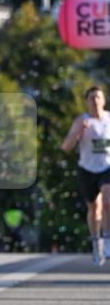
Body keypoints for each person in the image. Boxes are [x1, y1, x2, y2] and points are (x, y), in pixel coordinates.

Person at [61, 85, 110, 266]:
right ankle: (96, 243)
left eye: (98, 97)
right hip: (87, 169)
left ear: (104, 100)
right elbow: (66, 147)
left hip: (107, 167)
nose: (95, 101)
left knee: (107, 201)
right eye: (91, 98)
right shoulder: (81, 121)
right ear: (86, 101)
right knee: (94, 208)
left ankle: (107, 240)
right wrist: (78, 132)